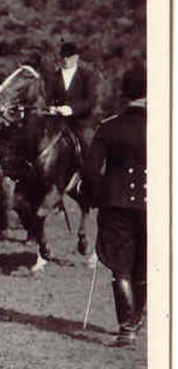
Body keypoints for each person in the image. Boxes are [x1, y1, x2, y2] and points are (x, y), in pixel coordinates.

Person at [82, 63, 146, 348]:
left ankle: (127, 329)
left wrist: (97, 197)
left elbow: (90, 171)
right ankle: (137, 320)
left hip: (116, 205)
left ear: (124, 93)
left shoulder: (109, 127)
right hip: (153, 207)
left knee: (121, 266)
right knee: (143, 265)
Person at [45, 41, 98, 156]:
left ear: (76, 57)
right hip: (57, 122)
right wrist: (52, 108)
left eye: (69, 57)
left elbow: (91, 100)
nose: (65, 59)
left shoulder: (87, 75)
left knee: (89, 145)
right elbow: (47, 98)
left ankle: (91, 167)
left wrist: (72, 109)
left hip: (81, 122)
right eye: (63, 56)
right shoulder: (53, 76)